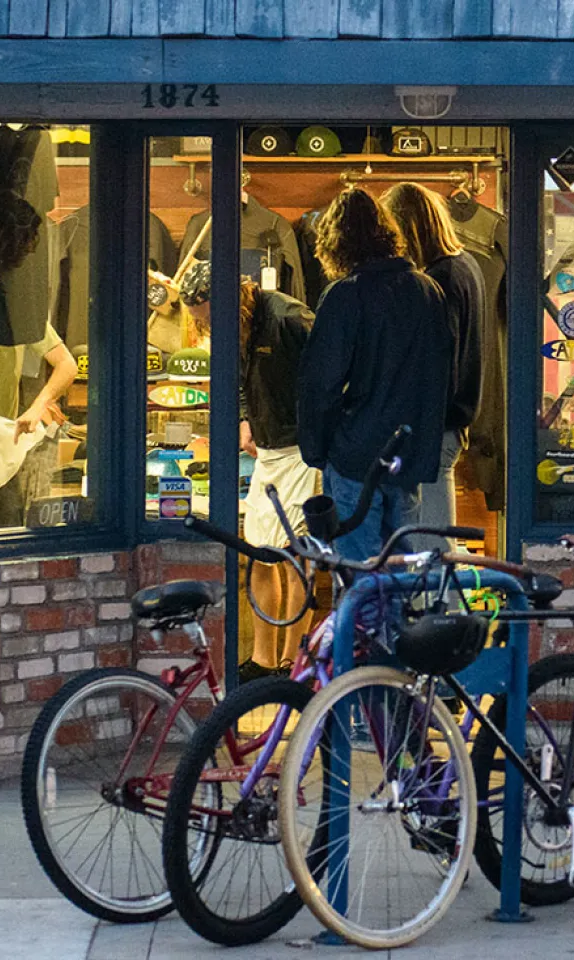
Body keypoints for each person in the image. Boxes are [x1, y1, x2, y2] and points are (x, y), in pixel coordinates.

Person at [179, 262, 319, 683]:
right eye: (201, 320)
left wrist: (317, 437)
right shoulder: (235, 328)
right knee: (259, 553)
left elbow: (328, 378)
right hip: (269, 451)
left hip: (302, 450)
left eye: (207, 316)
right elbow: (240, 381)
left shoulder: (288, 318)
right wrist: (246, 419)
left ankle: (293, 663)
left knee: (297, 557)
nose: (207, 326)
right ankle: (263, 659)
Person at [297, 187, 453, 561]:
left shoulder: (345, 295)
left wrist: (317, 450)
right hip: (408, 456)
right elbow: (441, 375)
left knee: (357, 570)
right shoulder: (428, 289)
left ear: (336, 243)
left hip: (356, 455)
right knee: (400, 566)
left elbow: (320, 385)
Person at [381, 182, 485, 548]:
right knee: (433, 538)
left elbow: (439, 362)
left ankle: (444, 590)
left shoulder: (440, 279)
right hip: (453, 420)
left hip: (435, 425)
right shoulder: (466, 265)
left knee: (431, 544)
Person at [0, 323, 78, 528]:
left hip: (0, 445)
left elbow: (67, 365)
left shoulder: (20, 312)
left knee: (4, 527)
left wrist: (38, 406)